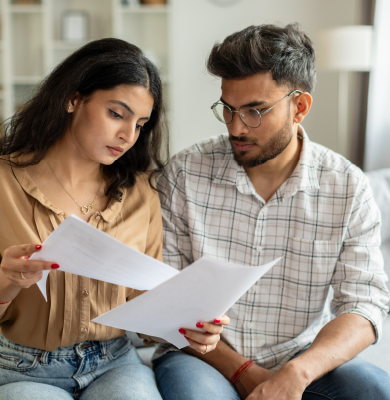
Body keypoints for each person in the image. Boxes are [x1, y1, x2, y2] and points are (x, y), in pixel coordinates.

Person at [0, 38, 227, 400]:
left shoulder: (140, 191)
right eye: (117, 114)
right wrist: (7, 280)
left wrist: (187, 327)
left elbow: (145, 307)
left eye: (140, 124)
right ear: (73, 98)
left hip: (114, 364)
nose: (128, 136)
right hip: (22, 369)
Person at [153, 23, 390, 400]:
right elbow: (163, 297)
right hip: (202, 357)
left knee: (376, 389)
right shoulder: (184, 174)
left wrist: (298, 371)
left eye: (255, 111)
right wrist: (245, 371)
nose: (236, 127)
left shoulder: (347, 186)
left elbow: (364, 304)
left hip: (302, 356)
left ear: (300, 107)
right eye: (228, 110)